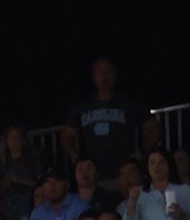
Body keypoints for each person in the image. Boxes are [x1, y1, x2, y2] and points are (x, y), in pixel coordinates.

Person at [61, 57, 159, 185]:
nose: (104, 77)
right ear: (94, 77)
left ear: (115, 75)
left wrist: (140, 152)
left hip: (123, 175)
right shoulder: (82, 106)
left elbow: (153, 128)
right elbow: (67, 136)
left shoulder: (128, 102)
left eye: (108, 73)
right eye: (100, 73)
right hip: (94, 177)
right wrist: (76, 158)